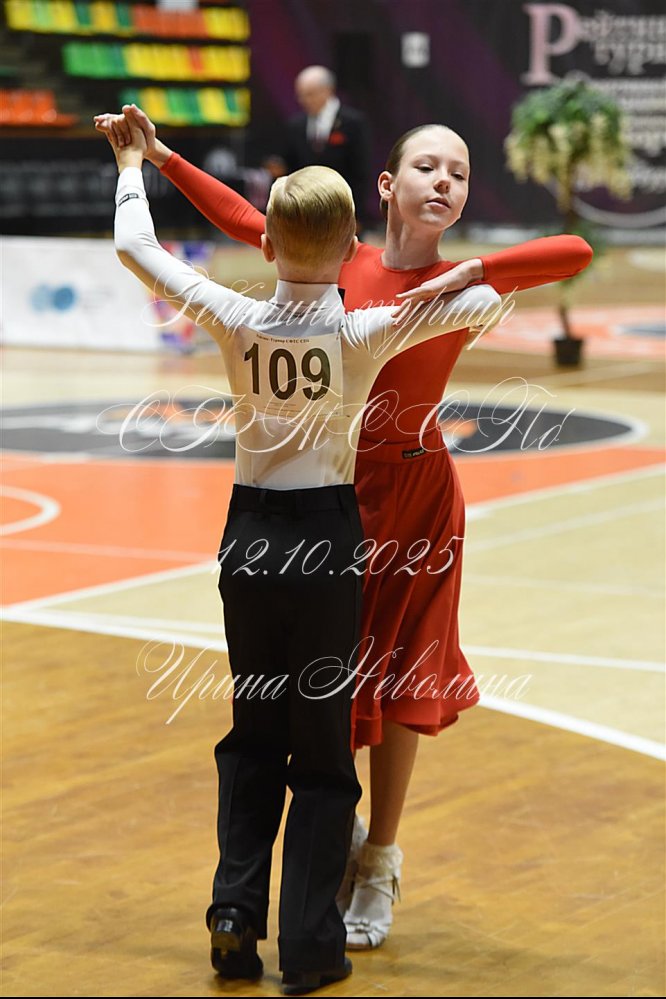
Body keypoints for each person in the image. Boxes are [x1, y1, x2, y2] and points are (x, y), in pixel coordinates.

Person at [96, 106, 592, 952]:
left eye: (461, 173)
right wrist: (166, 156)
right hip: (338, 499)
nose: (446, 181)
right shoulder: (340, 261)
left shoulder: (457, 285)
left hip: (419, 497)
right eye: (430, 166)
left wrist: (479, 266)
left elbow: (572, 251)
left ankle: (380, 858)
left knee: (403, 682)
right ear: (385, 187)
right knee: (331, 691)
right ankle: (335, 847)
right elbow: (247, 216)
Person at [282, 65, 371, 230]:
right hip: (305, 214)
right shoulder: (296, 126)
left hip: (342, 210)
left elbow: (360, 172)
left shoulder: (353, 123)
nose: (304, 100)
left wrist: (357, 214)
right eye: (300, 95)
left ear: (327, 91)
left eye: (309, 94)